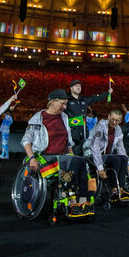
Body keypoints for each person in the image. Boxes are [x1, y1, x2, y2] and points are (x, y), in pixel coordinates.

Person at [21, 89, 93, 217]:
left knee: (81, 161)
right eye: (62, 103)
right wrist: (31, 158)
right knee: (75, 162)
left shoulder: (64, 117)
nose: (65, 107)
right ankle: (73, 201)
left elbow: (69, 142)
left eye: (66, 104)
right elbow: (26, 140)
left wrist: (71, 155)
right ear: (53, 101)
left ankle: (83, 200)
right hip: (45, 157)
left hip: (63, 156)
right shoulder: (38, 118)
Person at [84, 109, 129, 199]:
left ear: (120, 121)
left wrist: (127, 164)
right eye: (112, 119)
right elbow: (94, 147)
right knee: (115, 159)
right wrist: (100, 168)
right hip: (91, 153)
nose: (114, 122)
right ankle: (114, 188)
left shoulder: (118, 130)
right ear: (109, 116)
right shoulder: (100, 126)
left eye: (117, 120)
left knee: (123, 159)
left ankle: (120, 188)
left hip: (106, 156)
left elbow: (121, 148)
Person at [65, 79, 111, 156]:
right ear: (71, 88)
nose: (79, 87)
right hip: (71, 132)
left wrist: (107, 93)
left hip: (83, 132)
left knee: (82, 154)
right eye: (76, 86)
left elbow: (96, 98)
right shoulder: (67, 100)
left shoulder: (84, 99)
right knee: (73, 155)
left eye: (80, 86)